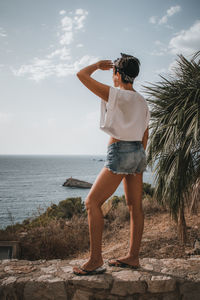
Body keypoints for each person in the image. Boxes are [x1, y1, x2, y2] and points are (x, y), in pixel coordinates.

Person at [73, 53, 150, 276]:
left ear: (117, 73)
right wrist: (138, 156)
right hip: (138, 152)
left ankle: (96, 259)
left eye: (114, 72)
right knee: (136, 207)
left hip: (120, 152)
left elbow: (81, 75)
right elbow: (145, 133)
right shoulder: (142, 101)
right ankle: (133, 257)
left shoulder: (116, 95)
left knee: (92, 202)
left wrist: (97, 66)